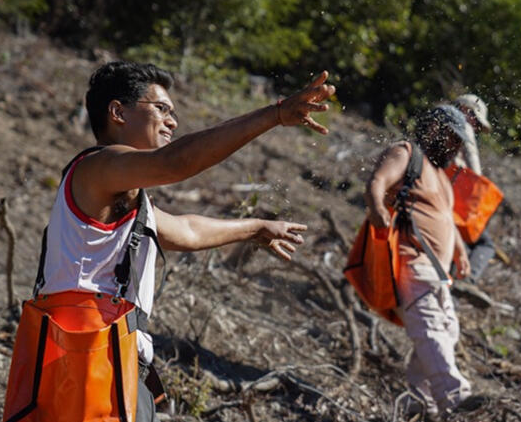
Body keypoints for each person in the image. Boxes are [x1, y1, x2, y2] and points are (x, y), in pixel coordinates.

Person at [22, 61, 335, 420]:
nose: (172, 121)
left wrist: (256, 228)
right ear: (118, 112)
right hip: (83, 364)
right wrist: (275, 114)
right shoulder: (98, 167)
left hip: (110, 362)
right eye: (161, 109)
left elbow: (187, 231)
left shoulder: (124, 193)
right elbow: (176, 163)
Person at [364, 105, 485, 418]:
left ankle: (418, 402)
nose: (456, 148)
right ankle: (455, 398)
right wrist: (377, 206)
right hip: (411, 260)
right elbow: (377, 180)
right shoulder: (406, 153)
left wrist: (459, 251)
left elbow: (445, 218)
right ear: (434, 130)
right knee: (431, 330)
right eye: (453, 139)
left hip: (437, 272)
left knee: (448, 332)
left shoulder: (441, 177)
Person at [451, 93, 496, 282]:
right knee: (485, 244)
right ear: (466, 110)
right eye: (476, 121)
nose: (476, 127)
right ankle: (467, 281)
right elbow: (473, 165)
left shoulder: (436, 122)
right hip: (454, 195)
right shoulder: (463, 126)